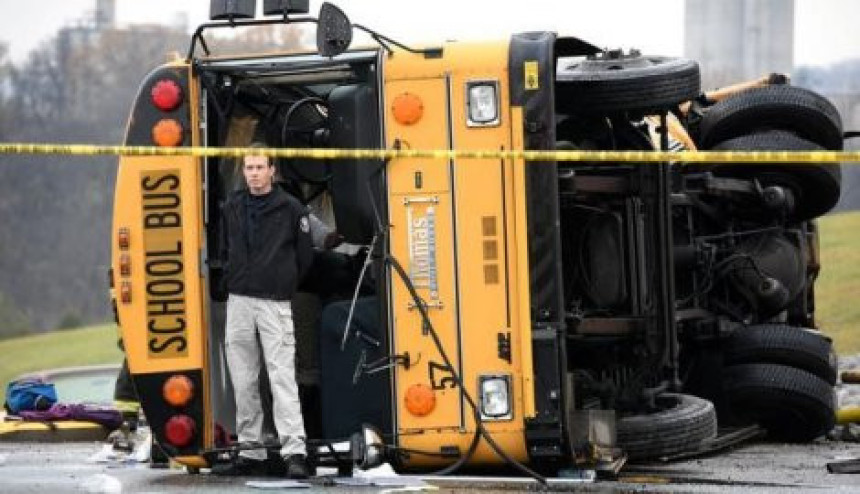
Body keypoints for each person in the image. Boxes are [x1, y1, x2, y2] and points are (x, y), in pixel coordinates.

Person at [215, 143, 314, 478]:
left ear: (273, 170)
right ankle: (250, 452)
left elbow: (305, 259)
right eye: (249, 168)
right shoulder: (232, 206)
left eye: (260, 167)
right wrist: (230, 279)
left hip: (274, 301)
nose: (254, 173)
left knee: (281, 378)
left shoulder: (291, 209)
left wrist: (282, 283)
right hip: (239, 301)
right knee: (243, 380)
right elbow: (225, 249)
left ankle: (295, 453)